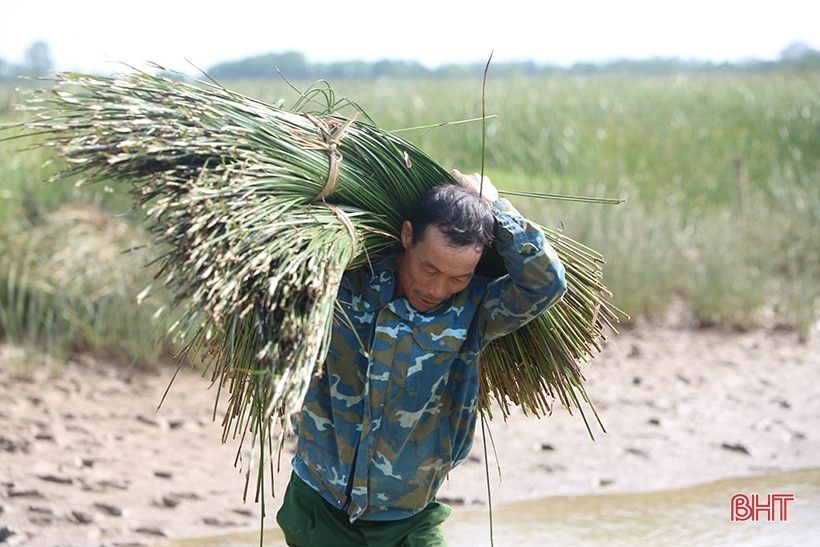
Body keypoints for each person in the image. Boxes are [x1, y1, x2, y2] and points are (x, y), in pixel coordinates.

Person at [276, 169, 567, 546]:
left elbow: (546, 283)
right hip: (319, 504)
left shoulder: (474, 311)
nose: (436, 288)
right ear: (408, 235)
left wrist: (497, 209)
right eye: (429, 268)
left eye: (457, 278)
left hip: (407, 522)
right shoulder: (347, 281)